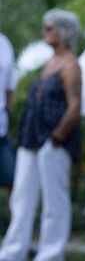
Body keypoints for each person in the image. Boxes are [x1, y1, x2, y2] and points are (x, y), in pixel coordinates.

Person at [0, 9, 82, 261]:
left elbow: (75, 106)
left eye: (50, 27)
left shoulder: (71, 65)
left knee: (54, 201)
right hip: (31, 138)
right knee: (22, 198)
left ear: (65, 31)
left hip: (53, 141)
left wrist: (57, 137)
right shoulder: (50, 62)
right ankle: (13, 251)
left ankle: (51, 253)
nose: (45, 31)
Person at [0, 32, 17, 192]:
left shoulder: (4, 44)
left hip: (1, 128)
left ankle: (14, 218)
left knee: (11, 181)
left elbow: (10, 84)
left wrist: (7, 111)